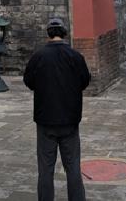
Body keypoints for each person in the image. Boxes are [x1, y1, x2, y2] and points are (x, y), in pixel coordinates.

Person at [23, 16, 91, 201]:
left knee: (45, 170)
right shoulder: (76, 57)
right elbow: (85, 80)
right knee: (73, 168)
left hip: (45, 121)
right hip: (70, 120)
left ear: (48, 34)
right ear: (64, 33)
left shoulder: (38, 57)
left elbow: (28, 81)